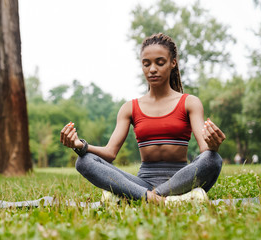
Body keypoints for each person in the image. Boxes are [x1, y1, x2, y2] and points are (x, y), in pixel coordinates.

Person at [60, 33, 226, 204]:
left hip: (180, 180)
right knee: (84, 162)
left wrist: (213, 146)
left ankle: (139, 197)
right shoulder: (129, 107)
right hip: (142, 183)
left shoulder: (190, 102)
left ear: (173, 63)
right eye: (146, 64)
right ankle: (165, 199)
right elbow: (110, 153)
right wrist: (81, 146)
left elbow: (205, 150)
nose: (152, 69)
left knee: (212, 159)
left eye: (159, 63)